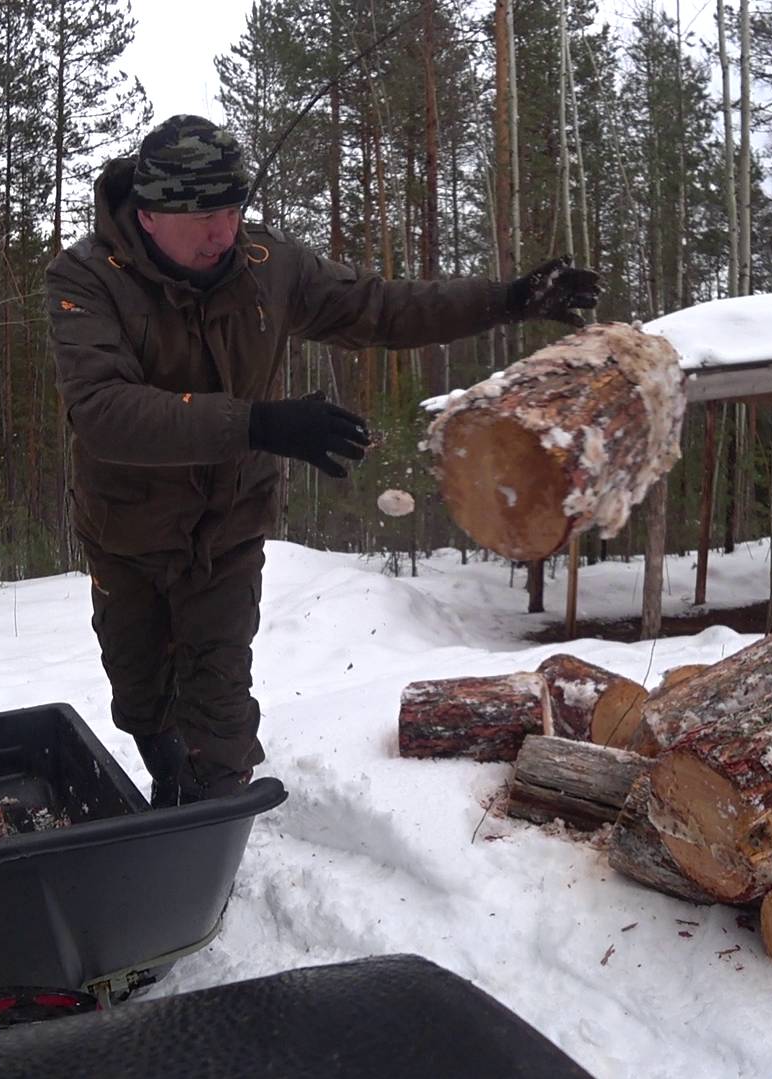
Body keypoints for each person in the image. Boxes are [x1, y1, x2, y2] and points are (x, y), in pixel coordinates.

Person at [46, 114, 599, 805]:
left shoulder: (265, 266)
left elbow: (382, 309)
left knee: (218, 711)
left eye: (232, 209)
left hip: (227, 528)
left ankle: (205, 831)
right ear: (151, 215)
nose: (224, 232)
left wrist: (507, 299)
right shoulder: (87, 278)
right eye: (203, 217)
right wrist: (259, 423)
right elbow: (103, 413)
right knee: (141, 695)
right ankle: (171, 778)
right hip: (127, 532)